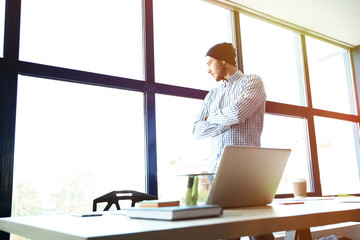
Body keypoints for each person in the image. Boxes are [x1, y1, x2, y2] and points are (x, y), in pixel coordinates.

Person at [192, 42, 271, 240]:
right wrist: (228, 121)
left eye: (210, 63)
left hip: (248, 174)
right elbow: (197, 130)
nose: (207, 70)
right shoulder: (212, 95)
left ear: (223, 59)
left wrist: (212, 118)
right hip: (216, 176)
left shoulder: (252, 82)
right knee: (226, 235)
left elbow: (238, 111)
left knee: (260, 235)